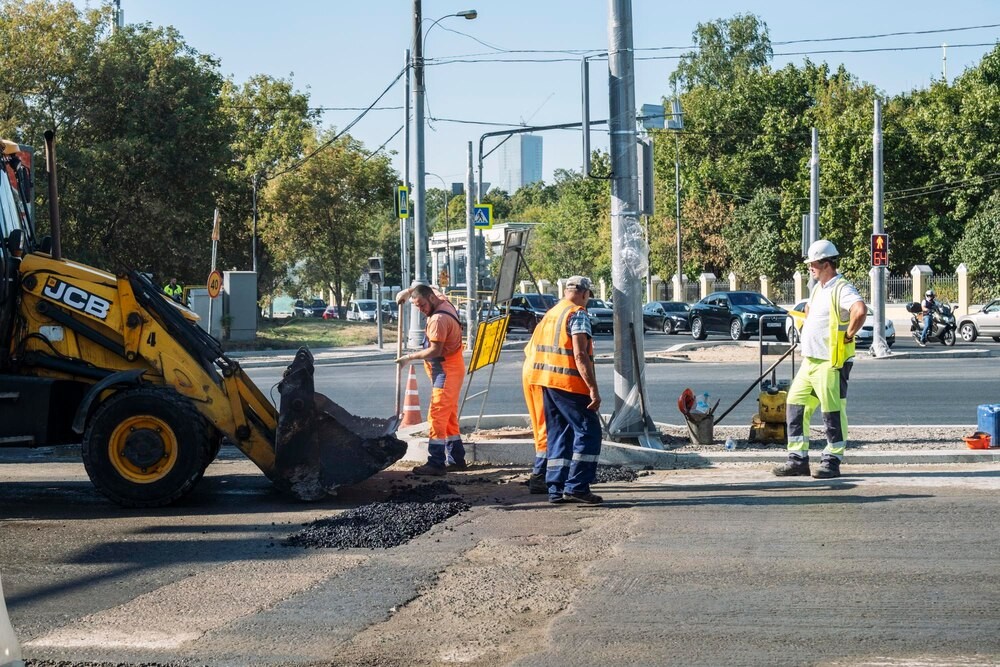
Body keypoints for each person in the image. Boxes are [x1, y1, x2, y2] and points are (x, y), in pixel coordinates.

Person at [774, 240, 866, 479]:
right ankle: (797, 460)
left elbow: (859, 310)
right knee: (795, 404)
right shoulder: (818, 288)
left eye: (813, 264)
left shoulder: (841, 288)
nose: (810, 267)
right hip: (811, 361)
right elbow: (810, 311)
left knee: (832, 411)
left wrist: (848, 335)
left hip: (831, 361)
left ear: (827, 264)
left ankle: (832, 461)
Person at [526, 276, 603, 504]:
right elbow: (580, 354)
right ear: (584, 293)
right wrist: (593, 389)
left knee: (558, 434)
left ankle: (554, 488)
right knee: (589, 432)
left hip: (547, 382)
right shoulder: (577, 314)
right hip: (570, 383)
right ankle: (577, 487)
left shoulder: (552, 313)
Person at [395, 282, 466, 475]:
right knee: (448, 416)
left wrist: (409, 358)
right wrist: (407, 292)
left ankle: (436, 463)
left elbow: (435, 350)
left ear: (431, 299)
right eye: (417, 306)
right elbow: (427, 287)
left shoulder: (438, 319)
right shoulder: (440, 299)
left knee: (436, 416)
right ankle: (457, 459)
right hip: (450, 368)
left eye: (422, 305)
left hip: (446, 372)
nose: (421, 310)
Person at [522, 335, 548, 494]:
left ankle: (543, 473)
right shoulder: (572, 320)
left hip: (533, 368)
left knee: (541, 426)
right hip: (543, 373)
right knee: (548, 427)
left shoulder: (548, 321)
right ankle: (540, 475)